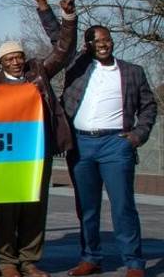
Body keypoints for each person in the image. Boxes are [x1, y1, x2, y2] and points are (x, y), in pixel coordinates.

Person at [0, 0, 77, 277]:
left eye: (19, 57)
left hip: (39, 151)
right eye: (9, 59)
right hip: (7, 155)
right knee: (7, 208)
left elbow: (63, 50)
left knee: (35, 205)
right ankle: (6, 260)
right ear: (1, 63)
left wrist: (62, 14)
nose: (16, 61)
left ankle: (29, 259)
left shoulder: (38, 72)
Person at [62, 25, 156, 277]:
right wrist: (47, 9)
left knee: (123, 205)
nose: (104, 44)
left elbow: (148, 107)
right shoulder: (78, 68)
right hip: (81, 145)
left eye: (108, 40)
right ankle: (90, 258)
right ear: (88, 44)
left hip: (115, 144)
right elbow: (59, 38)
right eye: (98, 41)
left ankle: (134, 262)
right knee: (87, 207)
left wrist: (137, 136)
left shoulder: (132, 72)